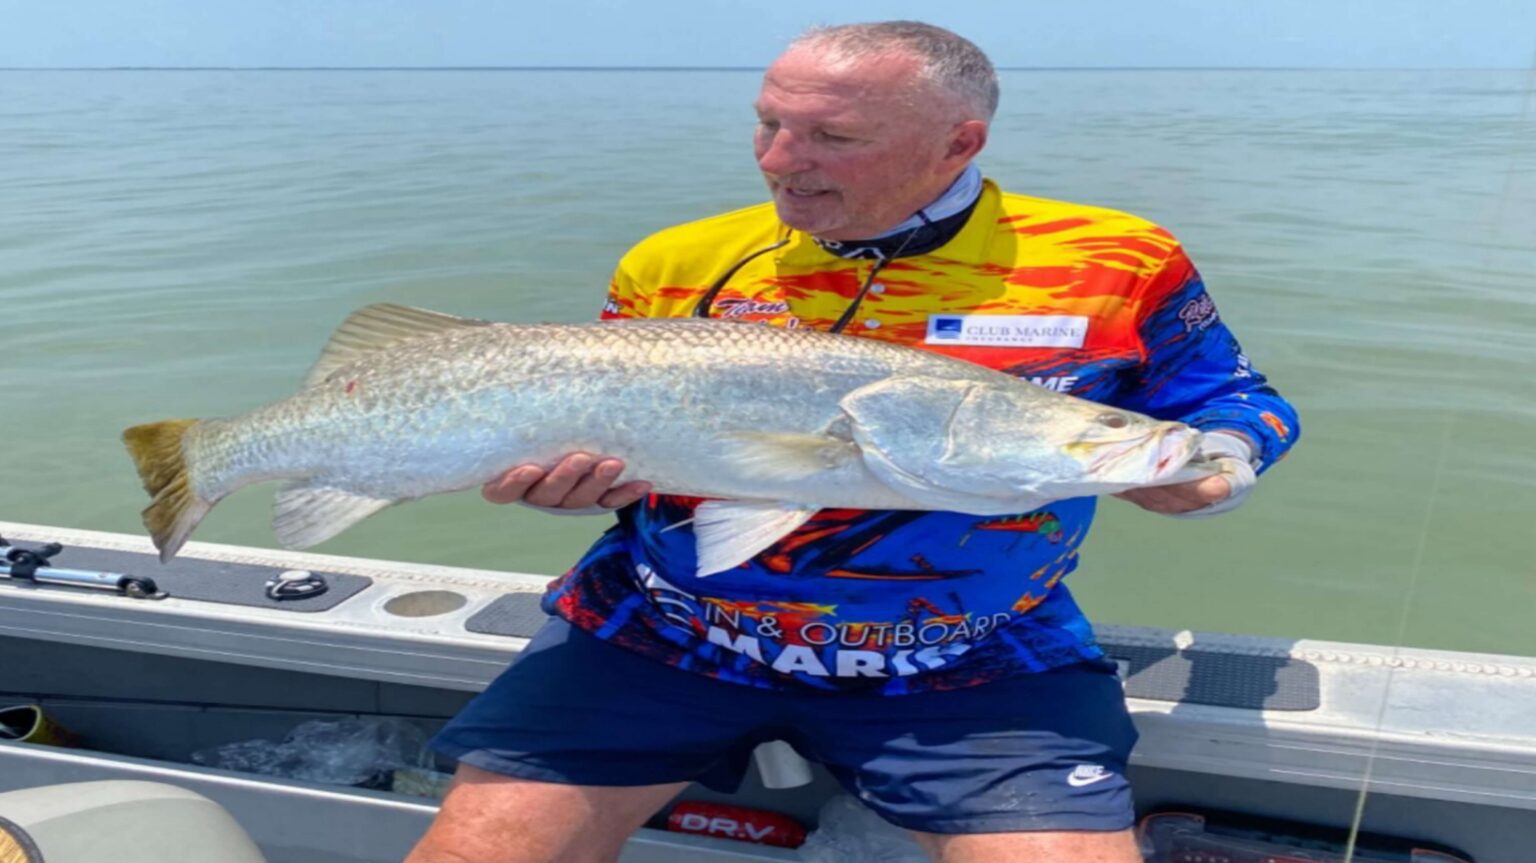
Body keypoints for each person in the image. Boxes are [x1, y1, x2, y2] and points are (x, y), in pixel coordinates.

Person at [406, 20, 1299, 863]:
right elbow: (624, 435)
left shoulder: (1115, 261)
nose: (779, 162)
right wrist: (578, 479)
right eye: (767, 124)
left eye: (832, 137)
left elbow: (1235, 401)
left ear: (960, 141)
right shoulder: (676, 261)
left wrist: (1221, 468)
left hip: (976, 656)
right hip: (662, 629)